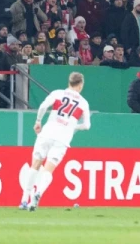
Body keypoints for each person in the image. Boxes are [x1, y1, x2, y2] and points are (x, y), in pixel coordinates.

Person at [21, 72, 91, 211]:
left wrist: (38, 121)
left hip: (47, 133)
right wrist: (72, 126)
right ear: (81, 85)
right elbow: (87, 126)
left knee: (35, 164)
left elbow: (42, 107)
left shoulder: (58, 93)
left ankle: (24, 199)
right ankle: (38, 193)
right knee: (48, 169)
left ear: (69, 82)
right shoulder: (83, 103)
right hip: (62, 138)